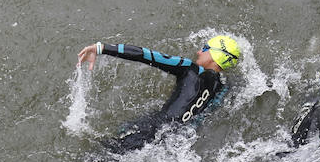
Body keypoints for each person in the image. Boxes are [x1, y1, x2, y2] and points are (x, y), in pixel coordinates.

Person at [74, 34, 241, 155]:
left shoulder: (190, 69)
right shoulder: (222, 88)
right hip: (175, 141)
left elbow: (145, 55)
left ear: (215, 54)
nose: (199, 51)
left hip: (153, 129)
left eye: (205, 48)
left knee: (100, 155)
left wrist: (101, 48)